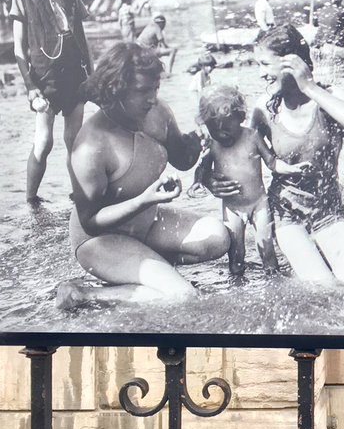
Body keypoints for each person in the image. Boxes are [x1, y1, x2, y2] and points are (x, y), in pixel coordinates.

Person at [60, 43, 230, 307]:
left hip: (146, 222)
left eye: (155, 88)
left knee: (218, 238)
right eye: (142, 91)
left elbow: (181, 160)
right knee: (183, 296)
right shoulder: (90, 146)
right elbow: (90, 221)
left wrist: (196, 144)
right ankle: (82, 294)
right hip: (100, 241)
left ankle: (152, 270)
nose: (151, 98)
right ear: (115, 90)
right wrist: (144, 199)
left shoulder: (158, 112)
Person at [246, 24, 344, 289]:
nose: (260, 74)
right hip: (286, 214)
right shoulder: (264, 108)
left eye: (265, 64)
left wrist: (309, 86)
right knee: (324, 288)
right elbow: (242, 155)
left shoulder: (329, 96)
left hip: (329, 211)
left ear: (292, 63)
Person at [9, 0, 93, 205]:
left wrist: (92, 76)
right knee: (44, 142)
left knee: (75, 142)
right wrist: (31, 88)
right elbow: (19, 48)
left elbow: (83, 39)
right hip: (45, 81)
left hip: (76, 79)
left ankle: (78, 195)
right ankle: (31, 198)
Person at [194, 84, 301, 277]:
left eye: (226, 128)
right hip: (232, 208)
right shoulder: (212, 145)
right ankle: (237, 283)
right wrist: (197, 182)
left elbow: (272, 162)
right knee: (236, 254)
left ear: (241, 118)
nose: (221, 134)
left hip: (259, 203)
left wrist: (291, 169)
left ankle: (272, 280)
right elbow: (202, 169)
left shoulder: (252, 137)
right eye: (213, 128)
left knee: (267, 249)